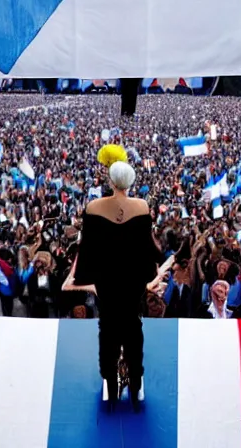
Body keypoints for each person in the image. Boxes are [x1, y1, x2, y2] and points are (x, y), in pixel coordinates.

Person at [63, 147, 164, 411]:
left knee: (107, 330)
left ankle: (109, 381)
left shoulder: (94, 207)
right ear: (131, 182)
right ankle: (135, 384)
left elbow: (88, 249)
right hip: (132, 281)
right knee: (133, 328)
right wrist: (153, 268)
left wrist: (85, 275)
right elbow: (148, 248)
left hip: (106, 280)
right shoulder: (142, 206)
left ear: (110, 180)